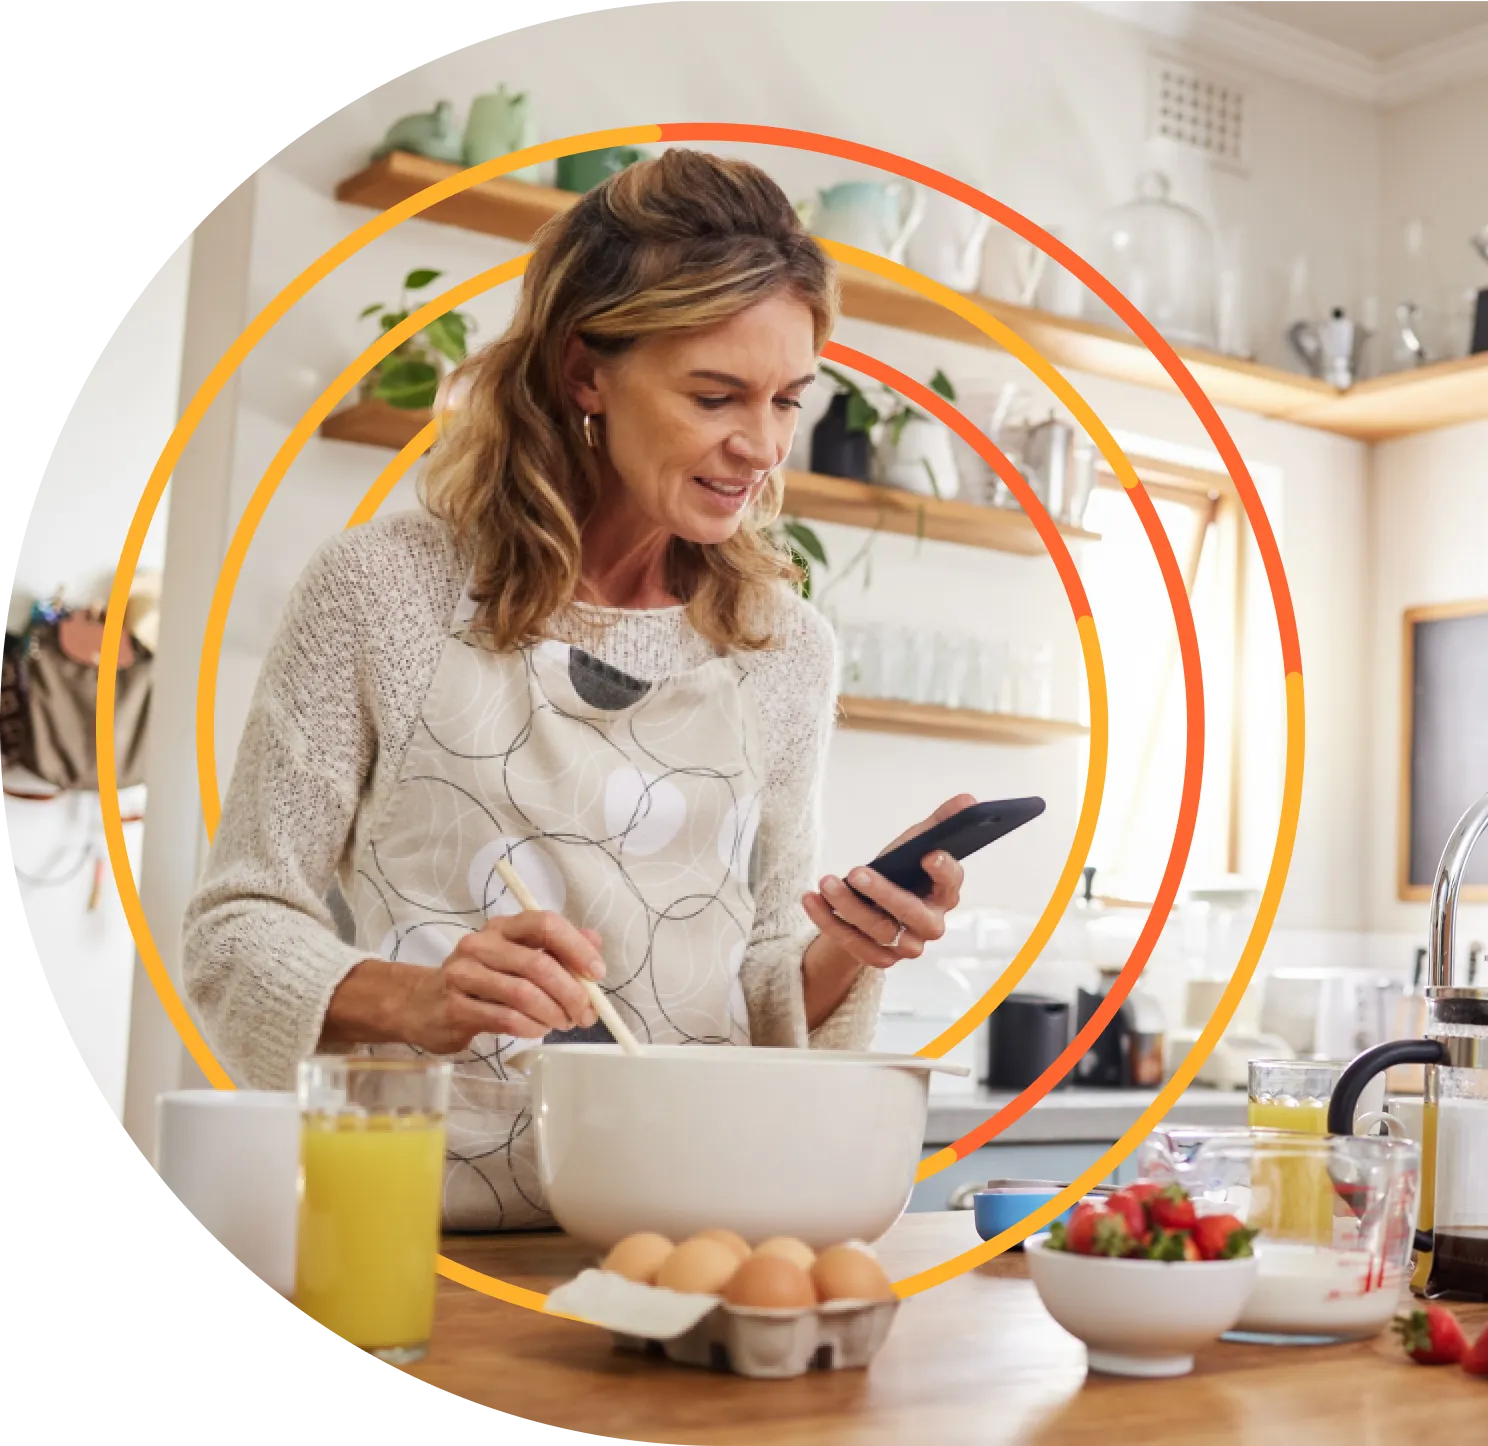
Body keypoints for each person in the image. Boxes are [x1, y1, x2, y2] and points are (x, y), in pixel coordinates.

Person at [182, 148, 971, 1230]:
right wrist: (413, 1001)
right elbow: (235, 931)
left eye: (789, 398)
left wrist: (854, 945)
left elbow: (754, 987)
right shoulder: (382, 591)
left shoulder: (783, 648)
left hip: (694, 1226)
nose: (763, 445)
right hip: (420, 1231)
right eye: (715, 394)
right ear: (583, 372)